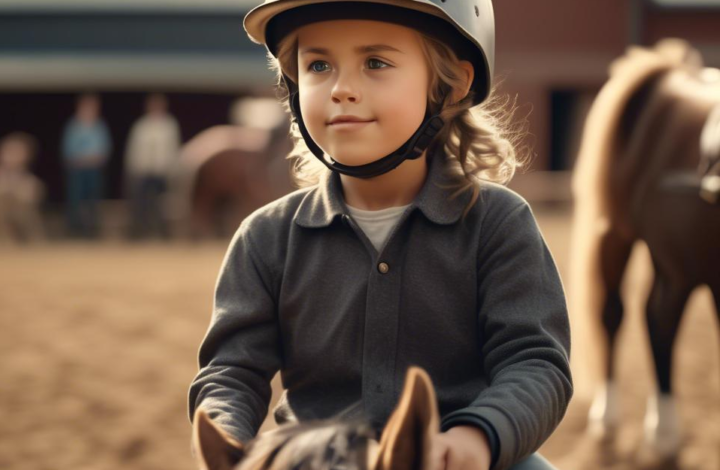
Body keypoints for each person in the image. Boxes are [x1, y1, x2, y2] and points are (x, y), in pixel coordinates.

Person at [188, 2, 573, 470]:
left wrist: (478, 435)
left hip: (457, 456)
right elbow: (231, 372)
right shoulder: (264, 238)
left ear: (451, 84)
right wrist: (227, 435)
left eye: (375, 63)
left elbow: (534, 362)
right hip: (313, 457)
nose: (342, 89)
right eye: (318, 65)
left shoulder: (499, 223)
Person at [124, 93, 181, 240]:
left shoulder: (169, 125)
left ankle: (163, 234)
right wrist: (134, 169)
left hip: (162, 172)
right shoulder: (141, 126)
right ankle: (140, 232)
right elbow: (134, 149)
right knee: (141, 204)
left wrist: (172, 170)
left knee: (162, 205)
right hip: (144, 172)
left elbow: (173, 148)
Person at [61, 93, 111, 239]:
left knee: (93, 201)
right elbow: (67, 150)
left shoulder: (100, 126)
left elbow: (104, 149)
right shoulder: (73, 126)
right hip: (77, 170)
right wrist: (81, 160)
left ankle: (92, 232)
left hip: (94, 170)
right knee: (75, 200)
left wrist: (93, 159)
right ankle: (74, 231)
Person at [0, 132, 45, 242]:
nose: (12, 156)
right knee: (0, 196)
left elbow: (34, 195)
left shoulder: (30, 180)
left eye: (17, 152)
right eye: (9, 151)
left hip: (24, 226)